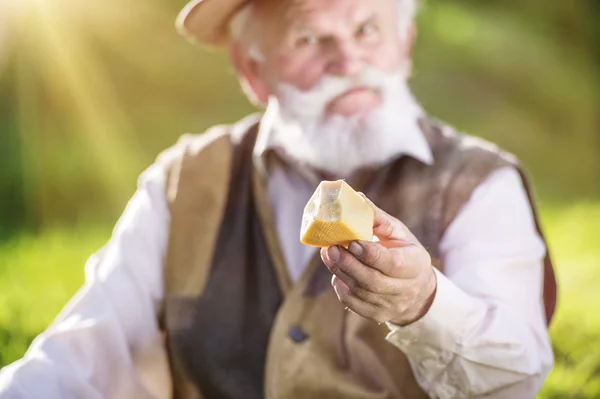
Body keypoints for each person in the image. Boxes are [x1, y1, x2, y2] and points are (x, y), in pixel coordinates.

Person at [0, 0, 557, 397]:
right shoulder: (185, 181)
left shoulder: (481, 182)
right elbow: (86, 353)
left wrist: (421, 303)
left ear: (404, 45)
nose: (347, 61)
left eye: (367, 29)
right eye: (309, 38)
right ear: (252, 71)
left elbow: (515, 377)